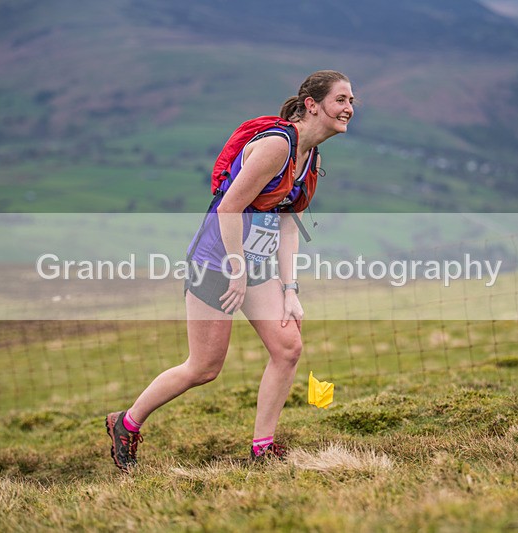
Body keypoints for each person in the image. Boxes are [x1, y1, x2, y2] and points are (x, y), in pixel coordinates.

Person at [106, 70, 355, 470]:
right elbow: (228, 208)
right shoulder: (277, 145)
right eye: (341, 100)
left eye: (351, 101)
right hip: (215, 262)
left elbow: (289, 223)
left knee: (288, 347)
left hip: (253, 265)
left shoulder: (312, 158)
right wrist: (237, 270)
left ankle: (262, 448)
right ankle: (127, 423)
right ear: (313, 105)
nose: (349, 108)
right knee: (204, 368)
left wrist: (290, 289)